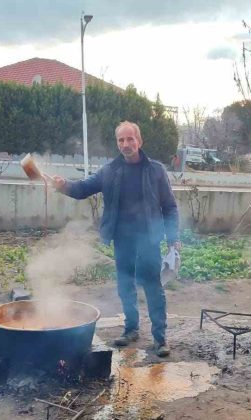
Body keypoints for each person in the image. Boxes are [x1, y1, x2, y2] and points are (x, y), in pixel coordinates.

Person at [52, 121, 180, 357]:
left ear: (139, 141)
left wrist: (173, 238)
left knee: (153, 288)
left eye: (130, 139)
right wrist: (64, 186)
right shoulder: (110, 170)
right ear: (117, 143)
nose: (126, 144)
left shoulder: (156, 170)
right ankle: (131, 330)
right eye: (121, 140)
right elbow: (83, 188)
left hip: (149, 239)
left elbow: (170, 207)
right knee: (125, 286)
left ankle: (160, 339)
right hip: (122, 239)